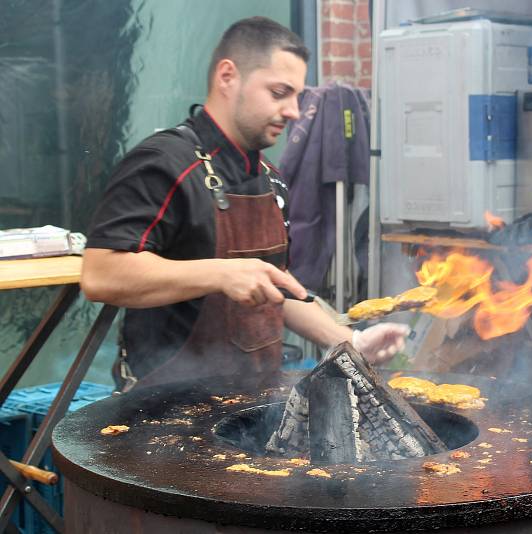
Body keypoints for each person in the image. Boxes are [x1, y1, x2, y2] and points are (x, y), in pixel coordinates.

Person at [81, 17, 407, 391]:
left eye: (297, 96)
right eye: (278, 92)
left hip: (255, 409)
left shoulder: (270, 177)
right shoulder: (163, 164)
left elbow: (276, 292)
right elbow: (100, 274)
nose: (294, 112)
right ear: (227, 76)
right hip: (164, 413)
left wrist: (347, 340)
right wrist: (222, 274)